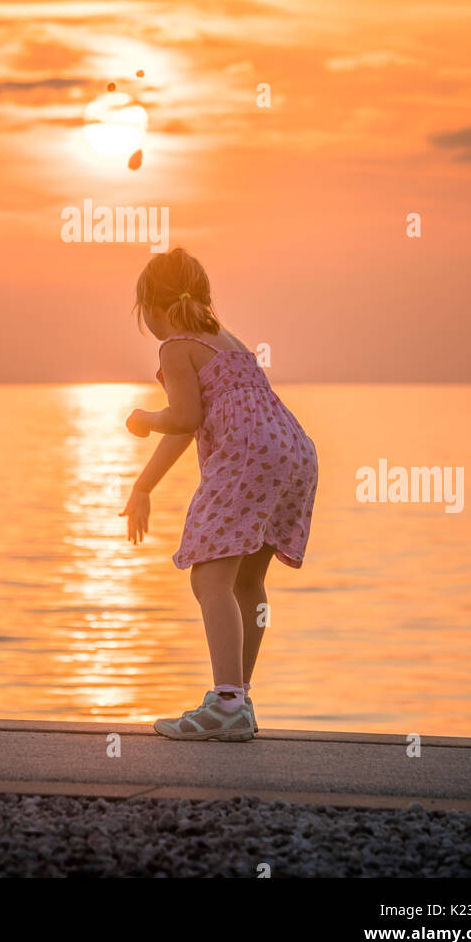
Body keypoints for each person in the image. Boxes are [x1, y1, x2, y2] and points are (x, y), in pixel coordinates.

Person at [121, 247, 318, 740]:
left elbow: (181, 419)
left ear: (151, 307)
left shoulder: (175, 347)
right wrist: (144, 485)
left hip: (248, 457)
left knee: (209, 578)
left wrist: (144, 419)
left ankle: (227, 702)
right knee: (244, 581)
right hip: (291, 451)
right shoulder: (227, 341)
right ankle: (239, 698)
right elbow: (190, 427)